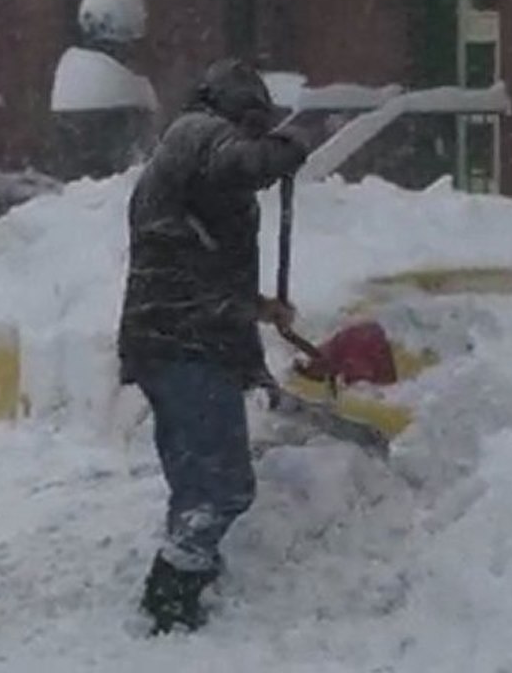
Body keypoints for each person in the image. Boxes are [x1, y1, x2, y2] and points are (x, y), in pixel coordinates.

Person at [117, 59, 308, 635]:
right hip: (185, 343)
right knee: (224, 483)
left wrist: (256, 312)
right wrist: (290, 144)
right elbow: (248, 162)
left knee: (195, 483)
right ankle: (171, 594)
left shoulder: (188, 157)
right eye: (249, 119)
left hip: (173, 337)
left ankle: (188, 589)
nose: (252, 132)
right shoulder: (196, 135)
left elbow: (195, 262)